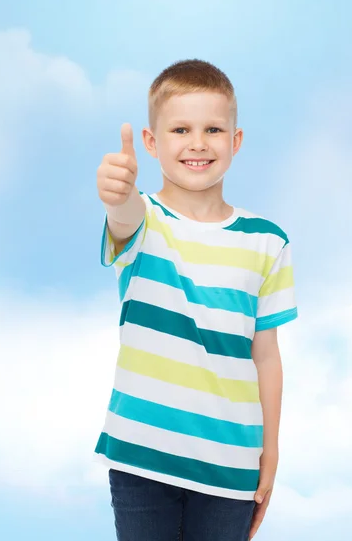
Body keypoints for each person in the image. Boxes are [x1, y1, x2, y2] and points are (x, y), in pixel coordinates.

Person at [94, 59, 298, 541]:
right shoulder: (145, 220)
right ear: (151, 142)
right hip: (142, 456)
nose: (198, 143)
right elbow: (123, 215)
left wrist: (270, 450)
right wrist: (116, 193)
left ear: (236, 140)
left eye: (213, 129)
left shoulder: (268, 241)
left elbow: (266, 355)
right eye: (180, 129)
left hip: (231, 464)